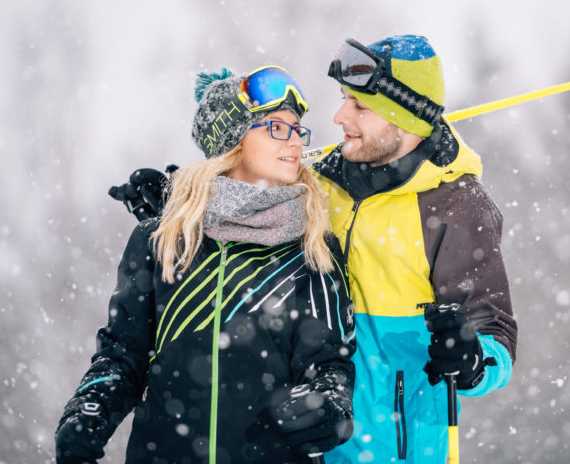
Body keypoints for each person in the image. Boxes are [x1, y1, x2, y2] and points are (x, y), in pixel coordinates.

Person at [110, 35, 518, 463]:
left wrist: (472, 359)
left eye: (360, 106)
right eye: (344, 99)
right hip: (309, 444)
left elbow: (496, 335)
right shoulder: (319, 186)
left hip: (399, 450)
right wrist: (178, 197)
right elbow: (244, 190)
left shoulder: (455, 204)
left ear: (406, 119)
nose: (340, 116)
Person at [56, 66, 356, 464]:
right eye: (277, 128)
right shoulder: (159, 240)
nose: (295, 142)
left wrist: (330, 403)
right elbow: (122, 356)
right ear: (233, 142)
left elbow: (328, 363)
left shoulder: (312, 247)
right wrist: (89, 407)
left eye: (297, 129)